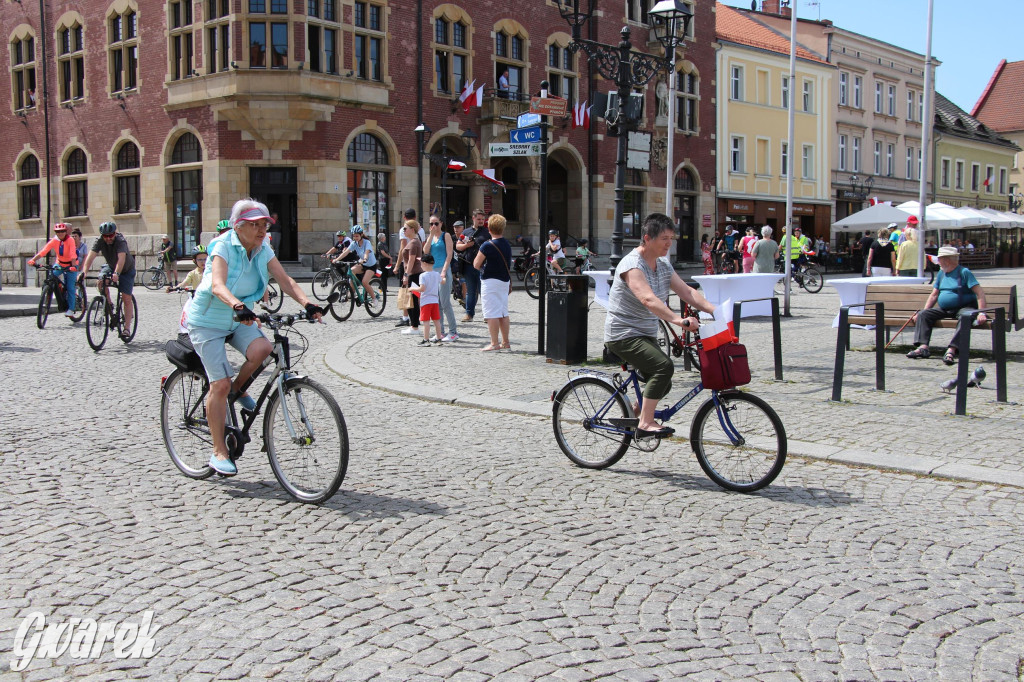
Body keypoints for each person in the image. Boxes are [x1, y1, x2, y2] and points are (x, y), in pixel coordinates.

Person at [186, 199, 323, 476]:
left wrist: (308, 304)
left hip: (239, 317)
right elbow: (217, 284)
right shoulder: (224, 246)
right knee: (219, 384)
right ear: (239, 227)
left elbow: (286, 280)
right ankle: (219, 452)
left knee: (262, 349)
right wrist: (238, 305)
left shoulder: (263, 249)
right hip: (209, 320)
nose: (261, 230)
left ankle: (237, 392)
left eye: (264, 225)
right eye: (255, 225)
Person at [604, 213, 715, 438]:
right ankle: (645, 422)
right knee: (663, 367)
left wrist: (715, 311)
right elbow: (648, 299)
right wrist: (678, 320)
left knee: (664, 384)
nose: (669, 243)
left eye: (671, 238)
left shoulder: (663, 264)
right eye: (664, 238)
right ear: (647, 238)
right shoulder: (632, 265)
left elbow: (687, 291)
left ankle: (635, 412)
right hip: (623, 334)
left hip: (645, 333)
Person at [906, 246, 988, 366]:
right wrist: (923, 310)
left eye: (939, 259)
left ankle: (952, 350)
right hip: (945, 309)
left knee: (966, 316)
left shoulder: (964, 272)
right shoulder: (941, 273)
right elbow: (934, 295)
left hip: (964, 307)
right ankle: (923, 348)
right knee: (924, 314)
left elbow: (979, 293)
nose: (937, 262)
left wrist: (982, 313)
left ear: (947, 260)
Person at [79, 221, 136, 333]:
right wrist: (84, 272)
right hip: (110, 266)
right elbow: (90, 257)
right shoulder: (100, 241)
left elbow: (121, 259)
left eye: (111, 235)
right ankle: (109, 303)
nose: (108, 238)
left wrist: (117, 274)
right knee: (100, 282)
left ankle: (127, 328)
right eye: (106, 236)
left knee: (126, 298)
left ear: (115, 233)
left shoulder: (120, 241)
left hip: (126, 269)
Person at [473, 214, 513, 351]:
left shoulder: (487, 245)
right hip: (504, 281)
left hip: (490, 281)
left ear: (489, 228)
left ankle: (494, 343)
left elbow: (476, 264)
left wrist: (484, 266)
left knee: (491, 313)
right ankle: (505, 342)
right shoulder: (507, 244)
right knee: (503, 312)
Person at [28, 222, 79, 317]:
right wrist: (33, 260)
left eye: (62, 231)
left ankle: (71, 309)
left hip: (71, 264)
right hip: (59, 264)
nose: (60, 233)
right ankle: (48, 296)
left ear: (66, 231)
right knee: (50, 279)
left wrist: (72, 267)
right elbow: (44, 251)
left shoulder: (70, 240)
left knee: (70, 287)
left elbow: (72, 254)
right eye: (58, 232)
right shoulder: (54, 240)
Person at [424, 215, 459, 342]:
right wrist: (430, 235)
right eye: (431, 223)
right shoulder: (431, 237)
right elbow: (426, 251)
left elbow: (449, 254)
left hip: (443, 270)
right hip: (433, 271)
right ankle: (441, 332)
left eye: (436, 223)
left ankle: (453, 332)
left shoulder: (446, 236)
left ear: (441, 223)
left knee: (445, 303)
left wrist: (444, 271)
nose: (433, 226)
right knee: (436, 303)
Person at [455, 208, 490, 321]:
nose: (481, 221)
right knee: (470, 291)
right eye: (479, 219)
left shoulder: (487, 232)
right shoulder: (466, 232)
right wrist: (467, 246)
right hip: (469, 265)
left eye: (482, 219)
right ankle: (469, 314)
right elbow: (458, 246)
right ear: (473, 218)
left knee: (483, 292)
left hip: (483, 266)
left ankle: (487, 315)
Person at [333, 225, 378, 300]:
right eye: (354, 236)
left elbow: (366, 252)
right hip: (362, 264)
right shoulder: (354, 243)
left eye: (357, 236)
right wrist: (337, 259)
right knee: (351, 272)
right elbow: (345, 252)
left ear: (361, 235)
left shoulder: (367, 242)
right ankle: (352, 292)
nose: (355, 238)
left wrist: (365, 259)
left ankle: (374, 298)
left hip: (371, 265)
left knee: (365, 282)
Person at [409, 253, 443, 345]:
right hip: (435, 301)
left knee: (426, 322)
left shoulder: (422, 276)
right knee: (436, 321)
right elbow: (443, 281)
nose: (420, 265)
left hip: (425, 301)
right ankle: (439, 339)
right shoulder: (436, 274)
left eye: (421, 263)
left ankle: (426, 340)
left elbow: (422, 289)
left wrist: (412, 288)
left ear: (425, 263)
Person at [400, 220, 424, 334]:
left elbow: (411, 260)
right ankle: (414, 325)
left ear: (412, 229)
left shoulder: (414, 242)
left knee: (412, 301)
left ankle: (414, 327)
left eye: (405, 228)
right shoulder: (414, 241)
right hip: (414, 274)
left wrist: (406, 274)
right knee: (411, 300)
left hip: (413, 274)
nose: (404, 230)